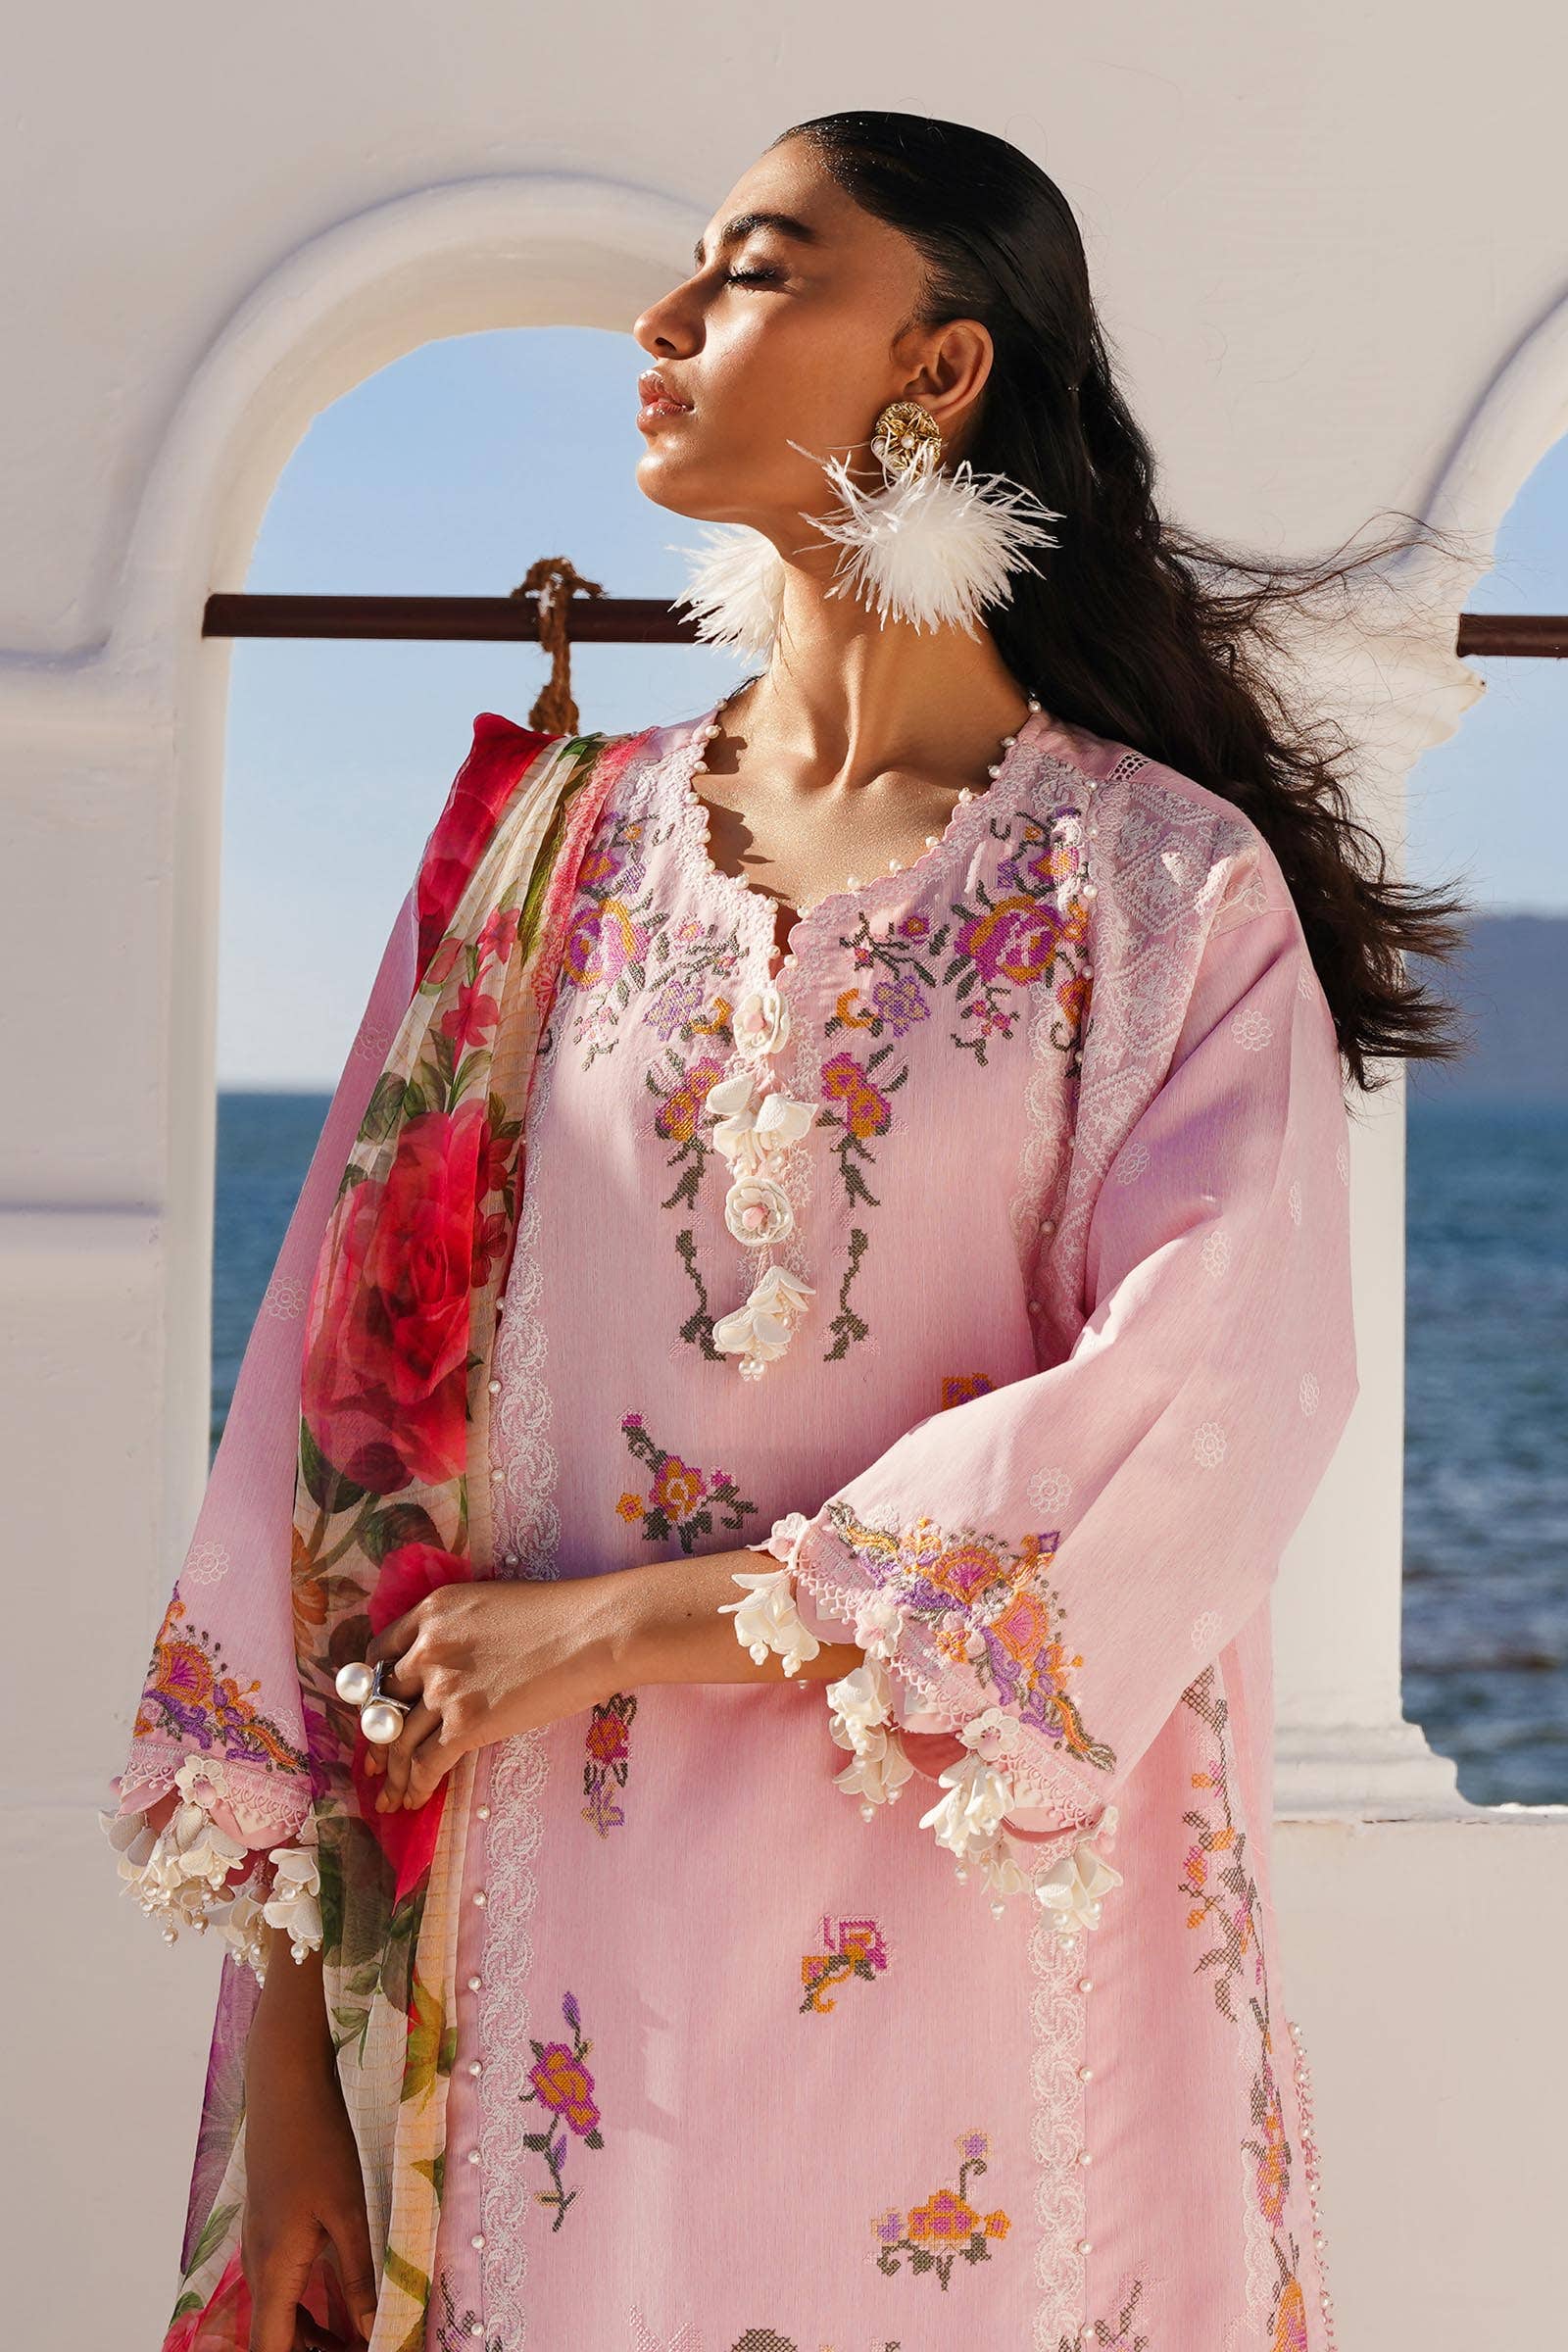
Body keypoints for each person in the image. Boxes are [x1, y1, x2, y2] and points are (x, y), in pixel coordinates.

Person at [102, 111, 1470, 2352]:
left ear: (935, 366)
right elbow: (323, 1450)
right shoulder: (542, 855)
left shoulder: (1152, 893)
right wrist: (281, 2053)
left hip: (994, 1996)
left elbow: (1203, 1401)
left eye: (750, 270)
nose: (661, 324)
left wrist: (616, 1628)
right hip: (547, 1988)